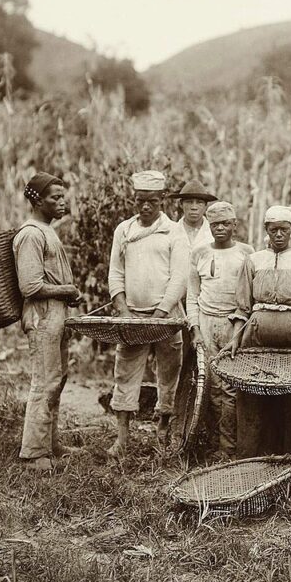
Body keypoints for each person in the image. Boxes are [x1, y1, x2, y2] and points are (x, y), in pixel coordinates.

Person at [106, 170, 190, 456]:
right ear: (134, 199)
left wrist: (162, 311)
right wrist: (123, 309)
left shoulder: (174, 231)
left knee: (169, 372)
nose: (145, 207)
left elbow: (180, 276)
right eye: (140, 201)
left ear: (162, 200)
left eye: (151, 201)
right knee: (125, 372)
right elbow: (115, 273)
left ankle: (163, 430)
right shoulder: (124, 230)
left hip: (166, 317)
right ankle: (122, 439)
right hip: (133, 316)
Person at [225, 206, 291, 457]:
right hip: (256, 337)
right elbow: (242, 306)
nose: (279, 234)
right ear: (266, 230)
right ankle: (252, 458)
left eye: (284, 230)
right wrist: (235, 338)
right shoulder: (253, 260)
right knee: (253, 394)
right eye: (273, 229)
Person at [13, 172, 80, 472]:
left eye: (63, 197)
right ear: (36, 200)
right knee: (44, 380)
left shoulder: (47, 230)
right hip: (42, 315)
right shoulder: (30, 234)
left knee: (57, 378)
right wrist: (67, 289)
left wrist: (68, 295)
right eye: (55, 197)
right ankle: (33, 454)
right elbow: (30, 286)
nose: (62, 202)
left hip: (56, 313)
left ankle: (51, 443)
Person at [186, 201, 254, 458]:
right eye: (215, 224)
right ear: (209, 225)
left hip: (234, 324)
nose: (220, 229)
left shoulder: (246, 253)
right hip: (206, 321)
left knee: (232, 387)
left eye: (226, 223)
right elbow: (192, 295)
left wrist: (241, 329)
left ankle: (231, 447)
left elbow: (250, 295)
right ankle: (215, 445)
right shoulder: (199, 253)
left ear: (235, 225)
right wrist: (195, 329)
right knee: (211, 387)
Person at [170, 180, 216, 249]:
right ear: (181, 204)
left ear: (206, 206)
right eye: (189, 202)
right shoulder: (170, 232)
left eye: (199, 202)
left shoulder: (213, 234)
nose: (194, 207)